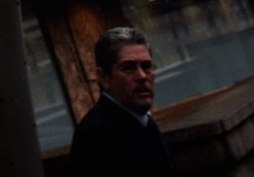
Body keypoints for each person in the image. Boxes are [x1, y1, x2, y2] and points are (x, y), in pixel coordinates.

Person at [68, 26, 174, 177]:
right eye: (128, 68)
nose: (142, 76)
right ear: (105, 78)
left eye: (147, 66)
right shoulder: (97, 136)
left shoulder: (141, 120)